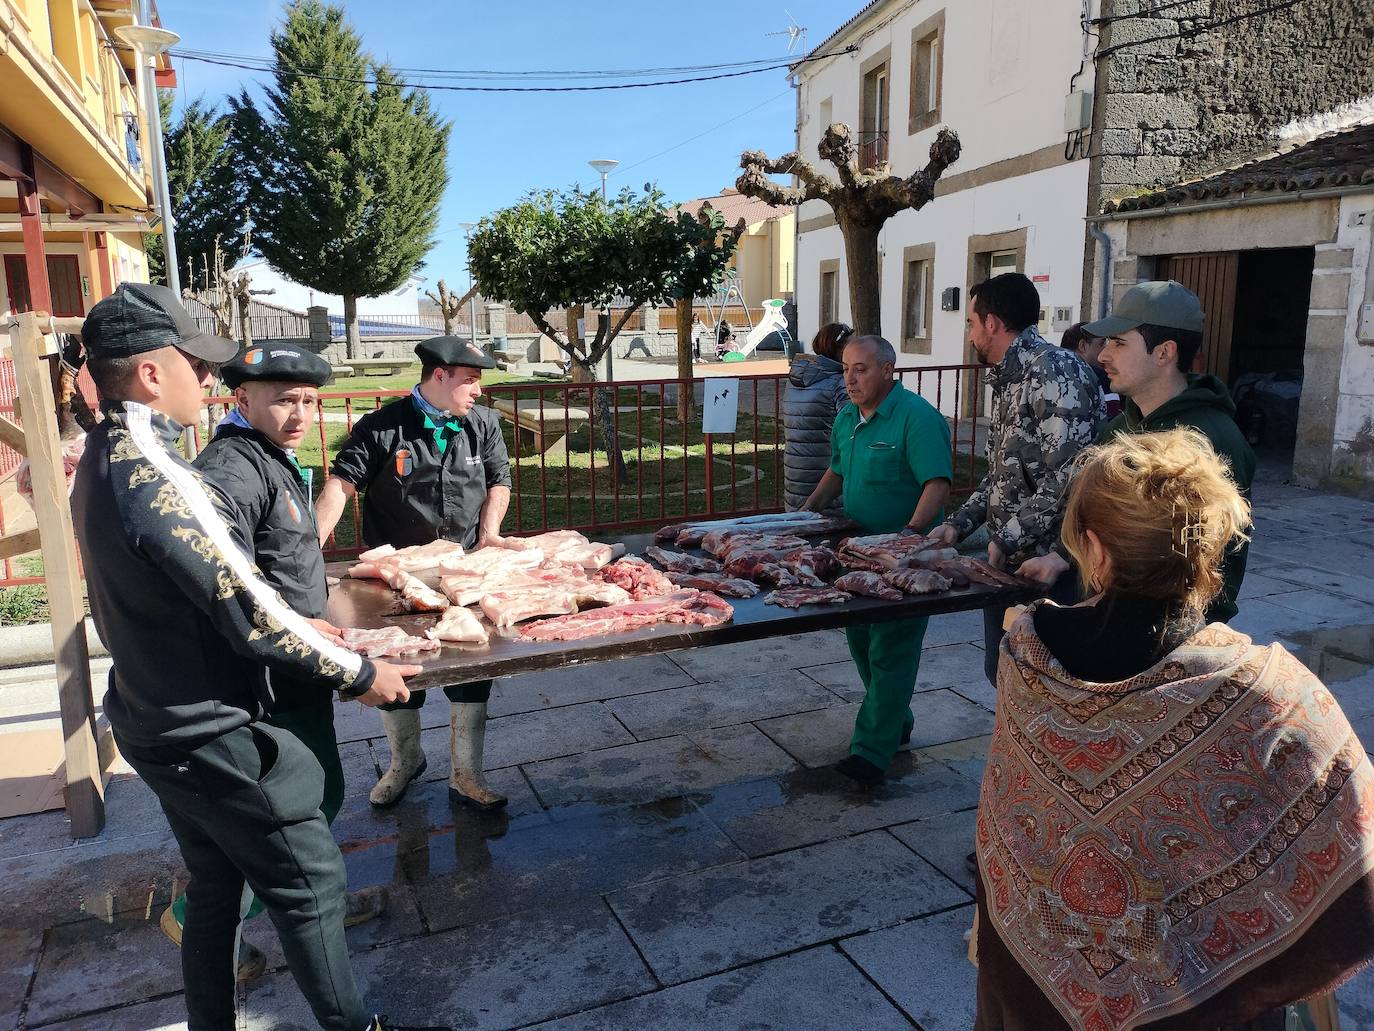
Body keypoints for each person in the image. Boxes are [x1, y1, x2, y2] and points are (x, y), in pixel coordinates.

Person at [70, 283, 429, 1031]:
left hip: (154, 718)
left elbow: (219, 595)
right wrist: (363, 672)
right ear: (148, 374)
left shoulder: (106, 453)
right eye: (197, 364)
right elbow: (252, 608)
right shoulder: (158, 470)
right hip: (211, 730)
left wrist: (315, 631)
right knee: (312, 883)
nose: (209, 381)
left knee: (216, 887)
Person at [974, 429, 1374, 1031]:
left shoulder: (1025, 653)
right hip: (1203, 1008)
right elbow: (1356, 847)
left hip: (1039, 1004)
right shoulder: (1270, 692)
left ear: (1096, 550)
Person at [164, 345, 386, 954]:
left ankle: (322, 902)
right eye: (284, 399)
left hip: (299, 661)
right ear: (241, 399)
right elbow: (227, 578)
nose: (300, 414)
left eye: (310, 401)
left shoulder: (267, 455)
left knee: (312, 797)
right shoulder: (234, 468)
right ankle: (199, 916)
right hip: (273, 672)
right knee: (299, 805)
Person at [315, 336, 511, 811]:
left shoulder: (482, 424)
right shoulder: (383, 427)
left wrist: (490, 534)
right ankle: (405, 761)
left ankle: (466, 773)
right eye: (471, 379)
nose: (478, 391)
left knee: (471, 668)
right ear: (439, 376)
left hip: (461, 569)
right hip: (394, 579)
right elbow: (340, 486)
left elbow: (498, 480)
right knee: (400, 668)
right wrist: (306, 555)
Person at [1019, 281, 1256, 624]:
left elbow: (1217, 563)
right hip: (1106, 623)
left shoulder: (1214, 442)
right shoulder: (1117, 429)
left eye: (1118, 342)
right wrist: (1061, 557)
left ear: (1164, 352)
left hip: (1167, 640)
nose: (1102, 355)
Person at [927, 273, 1105, 685]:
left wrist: (1003, 537)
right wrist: (957, 525)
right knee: (1004, 674)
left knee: (1048, 682)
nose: (970, 334)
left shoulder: (1055, 372)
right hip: (1011, 562)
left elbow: (1069, 476)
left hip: (1055, 564)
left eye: (971, 323)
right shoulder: (1012, 377)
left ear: (991, 323)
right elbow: (1001, 475)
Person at [800, 335, 952, 786]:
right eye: (846, 368)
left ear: (888, 370)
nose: (850, 378)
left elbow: (937, 484)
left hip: (906, 560)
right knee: (862, 642)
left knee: (892, 649)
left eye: (861, 368)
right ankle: (896, 721)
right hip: (854, 554)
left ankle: (871, 751)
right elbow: (837, 470)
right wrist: (804, 515)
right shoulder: (848, 416)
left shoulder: (917, 418)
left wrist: (909, 536)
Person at [781, 322, 852, 512]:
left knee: (799, 532)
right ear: (839, 349)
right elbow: (853, 430)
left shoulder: (796, 379)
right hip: (826, 480)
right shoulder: (839, 382)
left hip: (795, 476)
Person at [1059, 321, 1120, 418]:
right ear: (1082, 346)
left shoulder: (1048, 374)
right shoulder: (1100, 377)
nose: (1106, 351)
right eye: (1102, 344)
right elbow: (1113, 423)